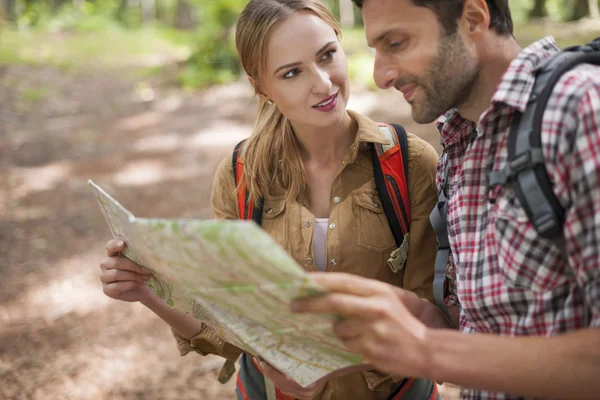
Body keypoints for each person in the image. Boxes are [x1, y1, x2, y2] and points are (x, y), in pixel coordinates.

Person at [98, 0, 442, 399]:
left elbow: (434, 320)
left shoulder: (408, 162)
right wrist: (144, 291)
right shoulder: (240, 176)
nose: (323, 83)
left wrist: (328, 361)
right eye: (292, 72)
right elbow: (226, 330)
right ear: (261, 86)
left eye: (327, 55)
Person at [291, 0, 600, 399]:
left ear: (473, 18)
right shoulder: (459, 144)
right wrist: (394, 318)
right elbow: (487, 335)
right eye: (375, 51)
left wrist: (427, 349)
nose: (380, 74)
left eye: (397, 43)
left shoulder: (581, 111)